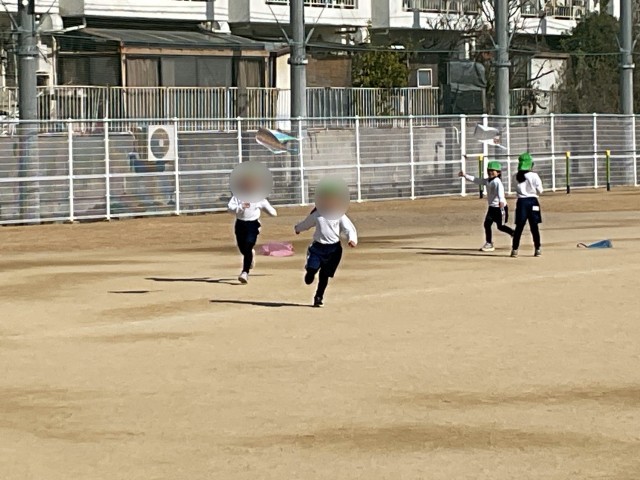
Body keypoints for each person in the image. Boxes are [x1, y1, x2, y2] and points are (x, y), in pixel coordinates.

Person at [294, 206, 357, 308]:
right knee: (311, 272)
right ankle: (310, 272)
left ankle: (318, 297)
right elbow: (306, 224)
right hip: (317, 248)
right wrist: (298, 228)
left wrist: (352, 239)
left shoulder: (339, 215)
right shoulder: (317, 214)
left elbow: (349, 228)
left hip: (334, 250)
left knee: (324, 275)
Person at [459, 160, 514, 252]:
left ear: (498, 172)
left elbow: (500, 192)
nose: (490, 172)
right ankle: (489, 243)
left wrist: (501, 201)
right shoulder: (488, 181)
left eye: (492, 171)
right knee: (487, 224)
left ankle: (513, 233)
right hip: (492, 208)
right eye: (489, 170)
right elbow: (477, 180)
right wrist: (465, 175)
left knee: (500, 226)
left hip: (500, 208)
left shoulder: (497, 181)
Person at [227, 196, 277, 284]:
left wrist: (271, 212)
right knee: (242, 248)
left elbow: (271, 211)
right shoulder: (237, 197)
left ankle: (245, 272)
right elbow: (230, 209)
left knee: (248, 246)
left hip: (253, 224)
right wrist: (240, 206)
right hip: (240, 224)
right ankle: (250, 255)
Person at [511, 152, 543, 258]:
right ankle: (537, 248)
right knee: (534, 226)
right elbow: (540, 190)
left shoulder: (515, 176)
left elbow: (515, 187)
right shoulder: (534, 176)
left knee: (519, 227)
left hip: (521, 202)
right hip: (533, 201)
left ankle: (515, 249)